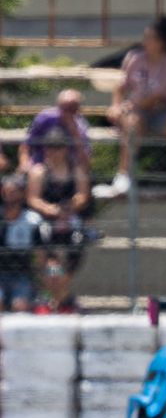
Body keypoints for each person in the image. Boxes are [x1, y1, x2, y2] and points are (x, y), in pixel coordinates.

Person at [105, 18, 166, 195]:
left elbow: (158, 97)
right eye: (145, 37)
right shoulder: (134, 58)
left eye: (151, 38)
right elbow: (121, 85)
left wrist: (130, 105)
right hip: (137, 113)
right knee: (131, 124)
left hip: (162, 112)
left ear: (162, 42)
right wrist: (115, 106)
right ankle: (124, 175)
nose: (145, 42)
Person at [25, 127, 91, 312]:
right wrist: (51, 210)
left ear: (65, 149)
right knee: (51, 266)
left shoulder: (75, 168)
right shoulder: (39, 171)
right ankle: (56, 299)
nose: (53, 151)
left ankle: (59, 298)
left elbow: (82, 195)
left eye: (58, 147)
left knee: (67, 264)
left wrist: (69, 208)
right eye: (50, 147)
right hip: (47, 221)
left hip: (70, 220)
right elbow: (33, 198)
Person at [0, 175, 44, 313]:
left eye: (14, 191)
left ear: (22, 193)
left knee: (20, 307)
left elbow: (40, 253)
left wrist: (40, 278)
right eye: (7, 191)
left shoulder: (32, 220)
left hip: (22, 274)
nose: (10, 195)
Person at [20, 89, 91, 172]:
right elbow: (26, 146)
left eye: (72, 108)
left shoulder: (81, 126)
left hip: (69, 171)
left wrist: (75, 133)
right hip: (40, 164)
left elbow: (85, 163)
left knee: (81, 176)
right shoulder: (45, 118)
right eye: (65, 107)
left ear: (78, 109)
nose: (68, 112)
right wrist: (25, 165)